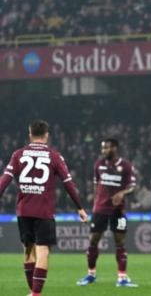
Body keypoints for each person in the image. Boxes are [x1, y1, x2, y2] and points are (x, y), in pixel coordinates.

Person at [0, 120, 88, 296]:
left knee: (27, 252)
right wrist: (80, 207)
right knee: (42, 252)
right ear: (47, 135)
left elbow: (4, 180)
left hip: (24, 210)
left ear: (30, 135)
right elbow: (68, 184)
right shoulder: (55, 156)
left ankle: (32, 292)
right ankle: (36, 294)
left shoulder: (18, 154)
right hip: (44, 211)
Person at [76, 138, 138, 287]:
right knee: (93, 240)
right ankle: (91, 275)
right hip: (100, 209)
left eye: (107, 148)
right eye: (102, 148)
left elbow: (132, 187)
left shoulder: (126, 166)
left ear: (115, 148)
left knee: (120, 242)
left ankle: (122, 278)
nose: (104, 151)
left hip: (118, 210)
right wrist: (95, 204)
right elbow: (96, 186)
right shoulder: (98, 165)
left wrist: (122, 193)